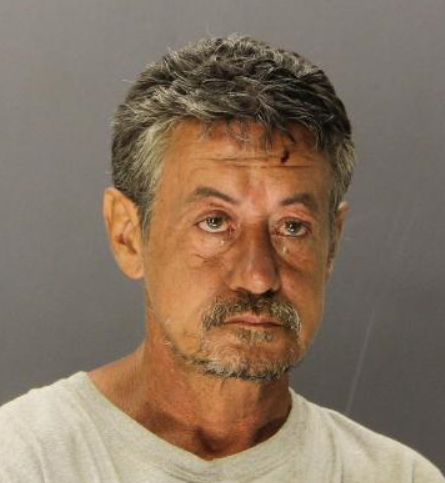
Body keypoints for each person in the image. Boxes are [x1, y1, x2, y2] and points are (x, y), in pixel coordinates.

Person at [0, 34, 443, 483]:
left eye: (292, 226)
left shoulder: (397, 476)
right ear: (128, 235)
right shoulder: (24, 462)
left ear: (332, 245)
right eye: (214, 222)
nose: (258, 277)